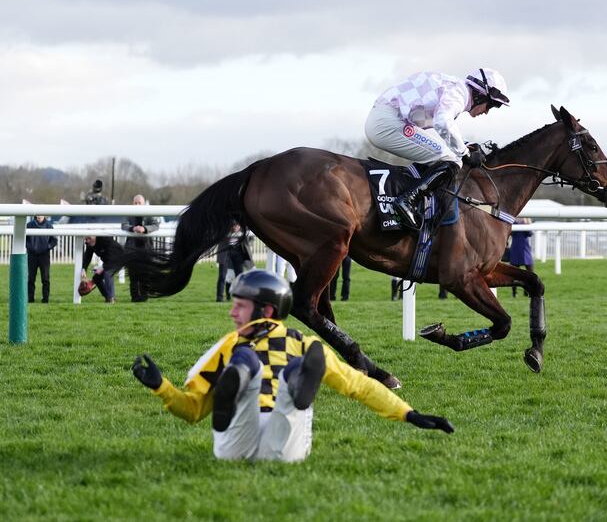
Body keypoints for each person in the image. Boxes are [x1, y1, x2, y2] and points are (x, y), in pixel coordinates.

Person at [132, 270, 453, 462]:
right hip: (288, 449)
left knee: (248, 362)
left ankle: (269, 377)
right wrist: (160, 385)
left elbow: (192, 411)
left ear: (266, 310)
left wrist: (408, 413)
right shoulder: (305, 345)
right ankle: (289, 379)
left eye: (239, 306)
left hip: (232, 449)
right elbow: (358, 385)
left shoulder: (228, 345)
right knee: (282, 376)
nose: (232, 313)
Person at [365, 68, 510, 229]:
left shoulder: (453, 88)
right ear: (480, 94)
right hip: (387, 121)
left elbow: (432, 127)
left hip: (389, 117)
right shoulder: (458, 94)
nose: (487, 112)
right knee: (452, 159)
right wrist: (465, 153)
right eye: (491, 105)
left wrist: (465, 144)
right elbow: (442, 122)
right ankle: (408, 200)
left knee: (449, 154)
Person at [121, 194, 160, 302]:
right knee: (133, 275)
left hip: (146, 248)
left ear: (144, 203)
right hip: (131, 248)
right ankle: (134, 297)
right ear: (132, 203)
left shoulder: (149, 214)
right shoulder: (129, 214)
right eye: (135, 203)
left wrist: (144, 229)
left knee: (145, 274)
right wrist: (133, 228)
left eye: (139, 203)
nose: (137, 205)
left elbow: (156, 225)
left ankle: (144, 296)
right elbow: (123, 225)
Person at [216, 222, 252, 302]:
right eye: (233, 226)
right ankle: (219, 297)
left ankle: (240, 296)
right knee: (222, 276)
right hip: (225, 253)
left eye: (237, 225)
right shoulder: (224, 228)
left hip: (238, 253)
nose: (235, 227)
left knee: (240, 276)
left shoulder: (244, 228)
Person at [82, 235, 124, 303]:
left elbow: (112, 256)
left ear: (95, 236)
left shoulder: (105, 239)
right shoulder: (89, 244)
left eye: (89, 238)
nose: (87, 241)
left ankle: (111, 299)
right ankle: (107, 297)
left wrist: (102, 267)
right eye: (86, 239)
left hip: (119, 258)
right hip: (108, 262)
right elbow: (87, 257)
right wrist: (84, 269)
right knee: (96, 278)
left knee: (108, 273)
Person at [25, 215, 57, 303]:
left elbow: (54, 241)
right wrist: (31, 248)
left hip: (44, 255)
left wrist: (47, 247)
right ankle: (30, 299)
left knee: (45, 278)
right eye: (38, 214)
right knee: (31, 278)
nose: (39, 215)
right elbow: (24, 239)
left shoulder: (49, 226)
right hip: (32, 255)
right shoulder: (29, 225)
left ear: (44, 215)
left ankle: (45, 299)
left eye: (41, 214)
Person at [509, 218, 533, 297]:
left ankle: (527, 291)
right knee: (514, 274)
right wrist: (516, 223)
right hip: (515, 250)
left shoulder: (526, 220)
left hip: (525, 250)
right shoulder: (513, 221)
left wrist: (526, 224)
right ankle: (514, 292)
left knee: (530, 273)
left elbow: (530, 233)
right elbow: (511, 233)